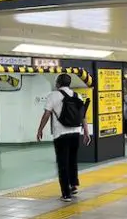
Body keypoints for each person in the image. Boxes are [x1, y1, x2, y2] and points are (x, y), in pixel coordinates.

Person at [37, 74, 91, 202]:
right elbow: (83, 116)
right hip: (76, 133)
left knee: (63, 163)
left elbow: (46, 114)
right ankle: (73, 185)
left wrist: (40, 129)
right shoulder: (77, 96)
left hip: (61, 134)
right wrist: (86, 132)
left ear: (58, 83)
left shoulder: (53, 95)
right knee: (72, 160)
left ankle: (66, 194)